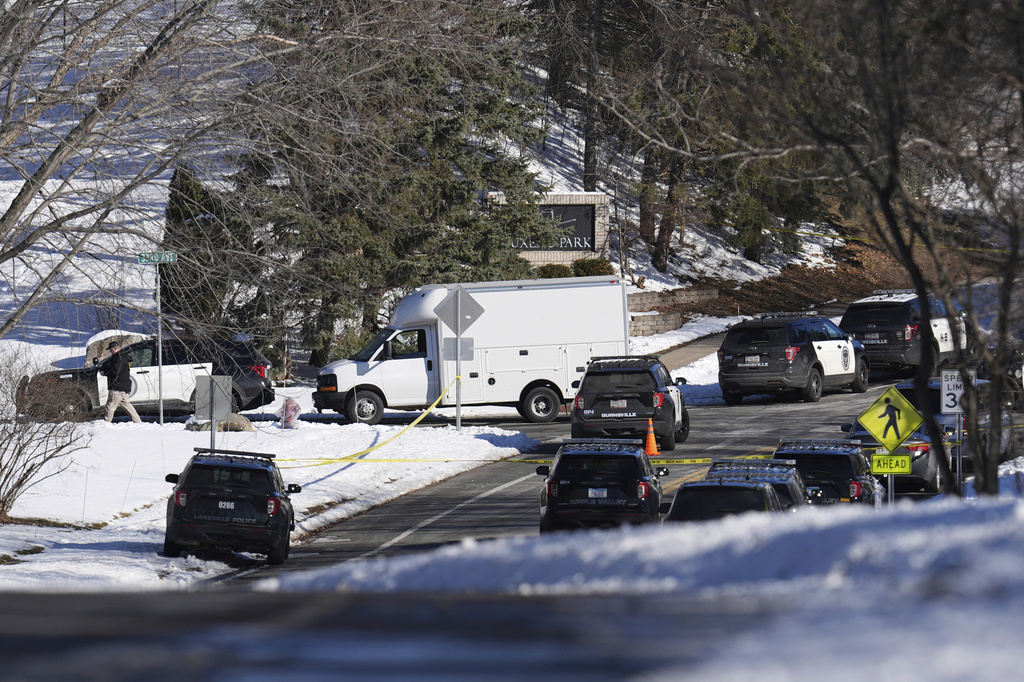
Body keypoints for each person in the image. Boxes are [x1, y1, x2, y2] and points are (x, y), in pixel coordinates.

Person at [99, 340, 142, 423]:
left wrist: (105, 373)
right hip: (124, 385)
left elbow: (115, 370)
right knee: (127, 405)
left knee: (110, 406)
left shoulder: (119, 358)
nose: (110, 352)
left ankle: (106, 422)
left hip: (116, 385)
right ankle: (138, 422)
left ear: (115, 348)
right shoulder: (123, 356)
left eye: (111, 350)